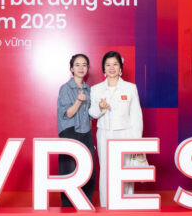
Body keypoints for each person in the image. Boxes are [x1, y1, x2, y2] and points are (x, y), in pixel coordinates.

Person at [89, 51, 143, 207]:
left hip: (126, 133)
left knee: (125, 169)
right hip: (104, 134)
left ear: (120, 67)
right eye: (108, 65)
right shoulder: (96, 89)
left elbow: (136, 117)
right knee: (106, 170)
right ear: (103, 68)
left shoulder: (130, 88)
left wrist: (137, 142)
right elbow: (92, 113)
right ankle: (106, 205)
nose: (111, 68)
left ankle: (127, 204)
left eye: (115, 64)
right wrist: (100, 107)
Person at [56, 53, 97, 207]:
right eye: (77, 65)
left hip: (86, 132)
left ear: (87, 68)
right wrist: (79, 101)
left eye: (84, 65)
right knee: (70, 172)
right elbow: (67, 114)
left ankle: (85, 206)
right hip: (70, 131)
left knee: (89, 172)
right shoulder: (65, 88)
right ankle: (68, 208)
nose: (81, 68)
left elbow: (90, 115)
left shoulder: (89, 89)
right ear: (72, 69)